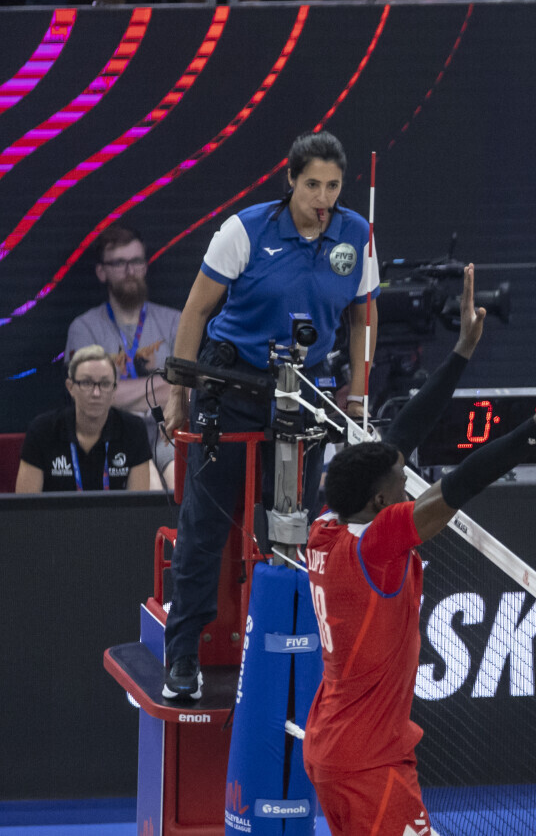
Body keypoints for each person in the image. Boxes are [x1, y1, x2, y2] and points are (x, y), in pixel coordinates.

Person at [302, 269, 536, 836]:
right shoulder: (377, 546)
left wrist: (460, 352)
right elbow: (461, 484)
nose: (407, 479)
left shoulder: (326, 527)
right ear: (382, 502)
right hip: (369, 764)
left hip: (334, 749)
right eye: (401, 481)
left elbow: (399, 437)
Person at [161, 130, 379, 700]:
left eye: (333, 186)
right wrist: (179, 394)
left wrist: (358, 396)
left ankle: (290, 654)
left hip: (303, 396)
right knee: (205, 529)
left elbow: (362, 318)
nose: (323, 198)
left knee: (293, 530)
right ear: (290, 181)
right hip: (231, 388)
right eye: (312, 185)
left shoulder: (357, 236)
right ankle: (182, 654)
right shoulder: (245, 231)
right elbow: (195, 311)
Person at [66, 224, 181, 490]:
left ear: (145, 266)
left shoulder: (175, 322)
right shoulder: (84, 328)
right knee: (149, 492)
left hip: (166, 432)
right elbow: (87, 395)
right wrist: (164, 385)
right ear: (101, 272)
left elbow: (186, 391)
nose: (130, 271)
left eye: (136, 261)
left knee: (179, 486)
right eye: (119, 263)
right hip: (112, 433)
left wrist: (114, 391)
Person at [16, 345, 152, 493]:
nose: (96, 393)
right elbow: (27, 504)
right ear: (70, 387)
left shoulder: (133, 430)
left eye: (105, 384)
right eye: (86, 383)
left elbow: (138, 504)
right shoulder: (42, 431)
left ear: (114, 389)